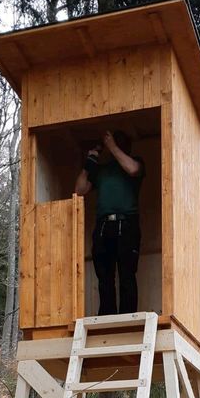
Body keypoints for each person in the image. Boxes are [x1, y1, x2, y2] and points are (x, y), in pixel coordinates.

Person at [75, 129, 144, 315]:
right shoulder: (102, 170)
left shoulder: (136, 162)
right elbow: (79, 190)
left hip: (127, 225)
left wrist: (111, 146)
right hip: (104, 226)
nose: (116, 144)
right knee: (104, 277)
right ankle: (107, 318)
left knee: (126, 275)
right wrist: (88, 165)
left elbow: (132, 169)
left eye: (119, 142)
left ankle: (128, 318)